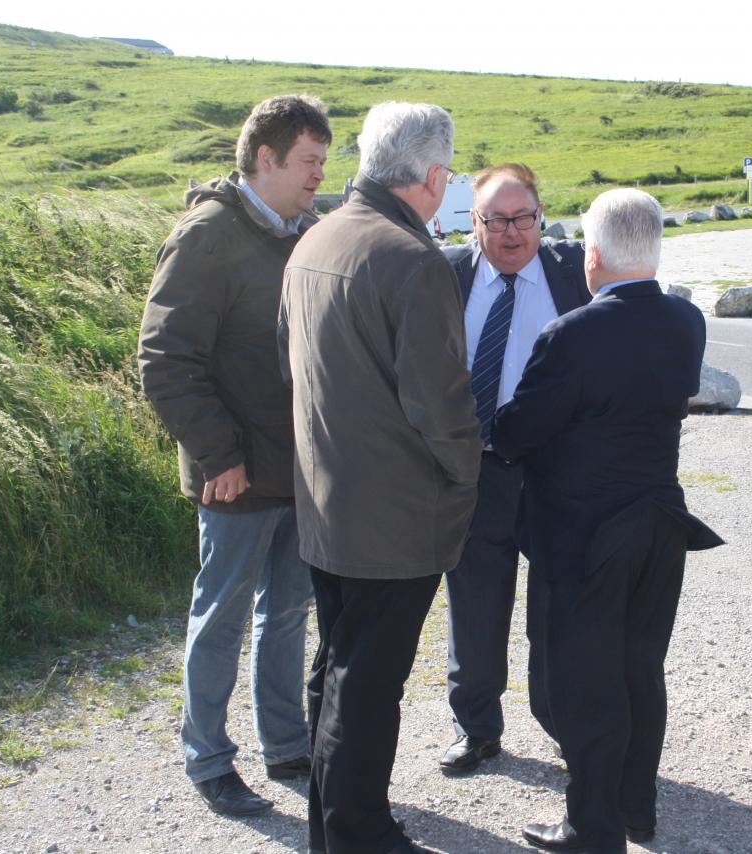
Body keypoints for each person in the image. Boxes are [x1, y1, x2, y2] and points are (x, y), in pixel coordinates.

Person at [493, 188, 723, 853]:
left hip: (587, 535)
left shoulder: (572, 334)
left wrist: (502, 426)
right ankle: (635, 808)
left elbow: (520, 429)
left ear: (592, 254)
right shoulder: (687, 321)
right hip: (659, 522)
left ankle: (592, 828)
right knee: (639, 671)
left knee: (585, 683)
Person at [279, 102, 482, 854]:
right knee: (367, 688)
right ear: (432, 176)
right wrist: (467, 476)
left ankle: (334, 825)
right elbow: (441, 403)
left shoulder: (315, 238)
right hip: (395, 517)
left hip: (326, 499)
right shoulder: (412, 259)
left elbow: (288, 369)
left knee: (338, 669)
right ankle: (358, 832)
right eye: (449, 176)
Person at [137, 94, 331, 818]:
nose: (318, 175)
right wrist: (218, 453)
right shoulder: (208, 234)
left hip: (296, 473)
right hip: (234, 475)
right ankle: (209, 759)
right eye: (308, 161)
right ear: (266, 159)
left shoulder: (301, 234)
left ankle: (286, 747)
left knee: (286, 614)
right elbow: (164, 359)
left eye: (322, 161)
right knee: (219, 618)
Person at [438, 162, 590, 774]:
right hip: (473, 469)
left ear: (540, 216)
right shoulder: (444, 275)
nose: (510, 233)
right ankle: (475, 727)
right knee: (474, 604)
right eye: (494, 221)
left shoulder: (574, 273)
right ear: (472, 223)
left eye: (522, 218)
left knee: (558, 606)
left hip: (557, 469)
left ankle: (561, 722)